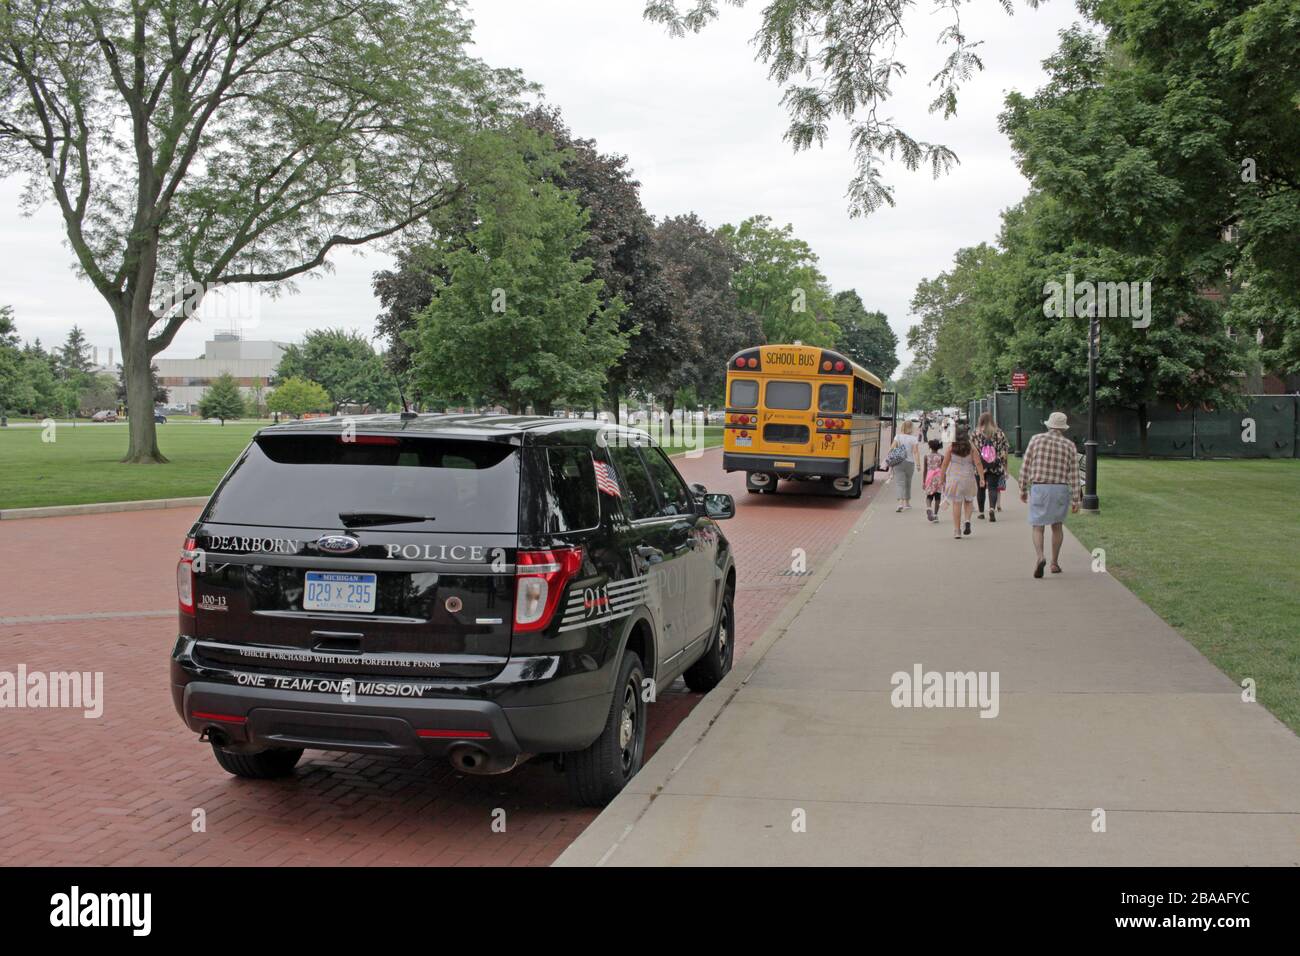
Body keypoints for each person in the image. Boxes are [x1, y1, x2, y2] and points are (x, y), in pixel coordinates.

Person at [1019, 411, 1083, 578]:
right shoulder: (1069, 445)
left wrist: (1023, 488)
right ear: (1063, 428)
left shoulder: (1036, 439)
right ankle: (1054, 563)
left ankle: (1040, 556)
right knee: (1057, 526)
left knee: (1038, 526)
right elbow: (1074, 474)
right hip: (1060, 489)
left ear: (1049, 425)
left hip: (1040, 488)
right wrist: (1076, 498)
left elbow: (1026, 464)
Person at [942, 425, 984, 538]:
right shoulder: (971, 448)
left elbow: (944, 464)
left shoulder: (951, 447)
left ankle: (957, 531)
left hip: (955, 479)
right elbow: (978, 463)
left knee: (956, 503)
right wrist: (982, 478)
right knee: (969, 501)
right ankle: (967, 521)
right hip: (968, 478)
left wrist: (942, 479)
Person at [972, 412, 1010, 522]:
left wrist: (974, 462)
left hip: (980, 466)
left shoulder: (976, 432)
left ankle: (981, 513)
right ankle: (992, 508)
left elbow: (972, 449)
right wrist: (1001, 461)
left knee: (981, 489)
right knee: (993, 488)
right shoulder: (999, 432)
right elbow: (1005, 449)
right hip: (995, 465)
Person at [888, 419, 922, 512]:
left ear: (903, 426)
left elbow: (891, 448)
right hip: (909, 463)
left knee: (900, 483)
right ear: (911, 428)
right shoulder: (914, 438)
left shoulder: (898, 436)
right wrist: (918, 465)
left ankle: (900, 504)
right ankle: (907, 503)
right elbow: (915, 452)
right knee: (908, 483)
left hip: (898, 462)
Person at [922, 438, 944, 522]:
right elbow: (943, 469)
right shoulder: (941, 457)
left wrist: (924, 481)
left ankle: (928, 508)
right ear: (939, 447)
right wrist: (944, 480)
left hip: (929, 477)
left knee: (929, 495)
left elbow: (925, 470)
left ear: (930, 447)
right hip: (938, 476)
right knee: (937, 496)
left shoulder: (926, 456)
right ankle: (935, 515)